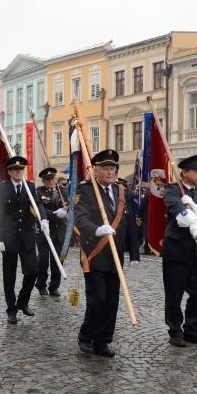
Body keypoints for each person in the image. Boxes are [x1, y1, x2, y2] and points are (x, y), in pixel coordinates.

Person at [74, 150, 139, 357]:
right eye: (105, 169)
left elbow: (129, 225)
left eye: (112, 169)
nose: (110, 173)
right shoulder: (86, 191)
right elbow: (79, 218)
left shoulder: (123, 192)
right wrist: (96, 229)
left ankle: (102, 340)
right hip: (95, 252)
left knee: (112, 300)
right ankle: (86, 335)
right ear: (96, 170)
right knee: (97, 300)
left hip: (116, 255)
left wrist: (134, 254)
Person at [161, 155, 197, 347]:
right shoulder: (172, 189)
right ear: (184, 172)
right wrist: (190, 214)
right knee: (174, 294)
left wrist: (196, 209)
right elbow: (176, 210)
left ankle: (192, 330)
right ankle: (175, 330)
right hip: (177, 249)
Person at [0, 156, 50, 324]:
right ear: (9, 171)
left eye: (21, 169)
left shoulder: (30, 187)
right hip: (9, 237)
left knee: (33, 271)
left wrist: (44, 219)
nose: (19, 171)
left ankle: (22, 302)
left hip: (27, 236)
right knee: (9, 276)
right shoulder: (2, 189)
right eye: (15, 169)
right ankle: (11, 310)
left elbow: (38, 204)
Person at [35, 167, 68, 297]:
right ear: (43, 181)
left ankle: (54, 286)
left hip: (59, 230)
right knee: (43, 259)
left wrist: (66, 209)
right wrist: (54, 214)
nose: (50, 181)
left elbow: (72, 203)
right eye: (47, 179)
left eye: (52, 178)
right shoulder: (38, 192)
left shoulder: (63, 191)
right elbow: (39, 207)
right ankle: (41, 284)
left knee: (58, 260)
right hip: (44, 230)